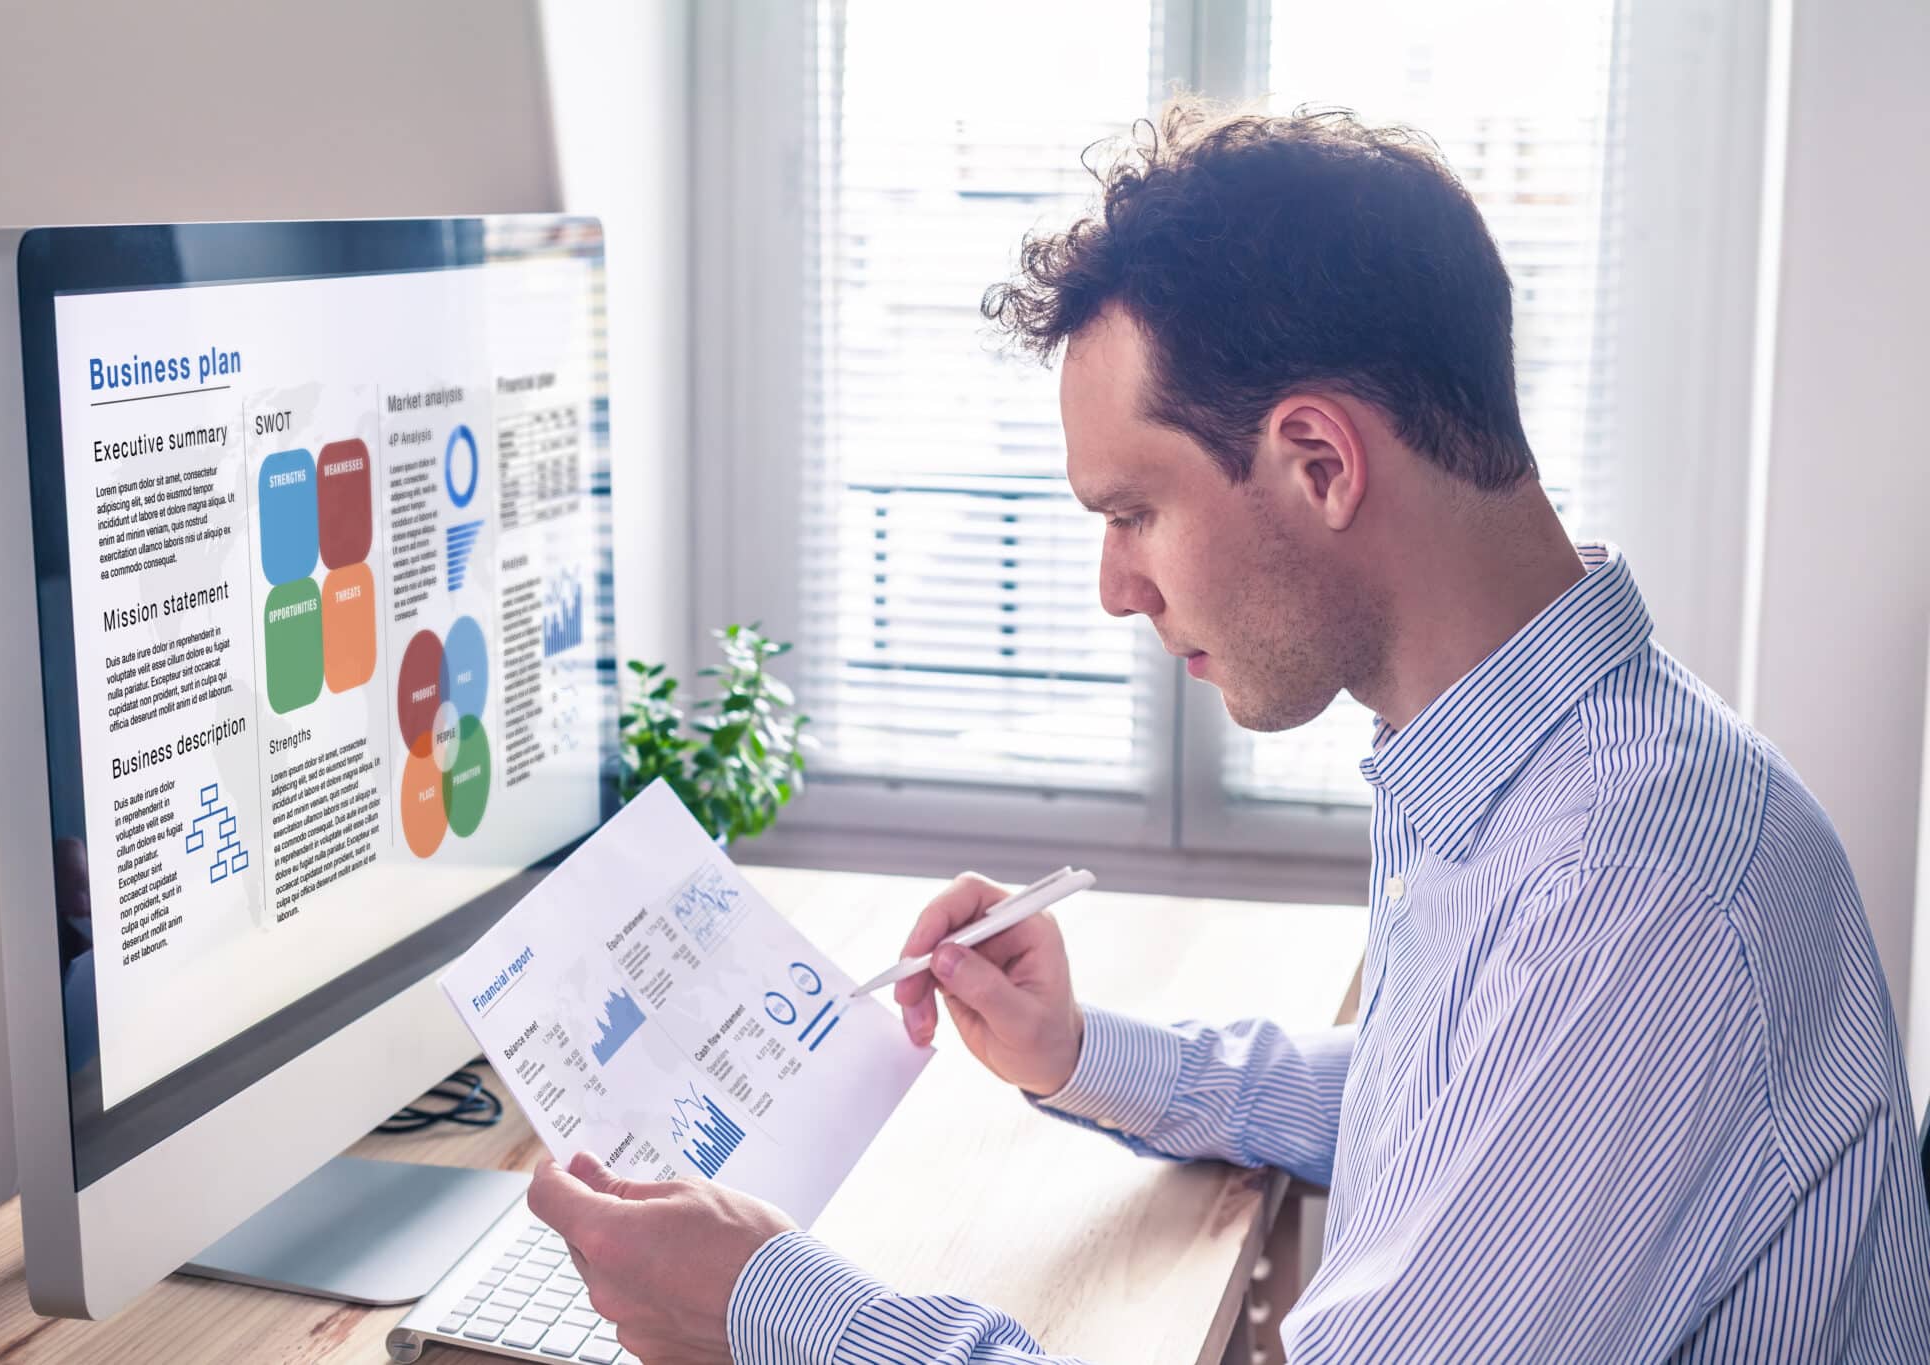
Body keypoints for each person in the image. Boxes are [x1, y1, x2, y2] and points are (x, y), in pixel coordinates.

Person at [526, 103, 1930, 1363]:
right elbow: (1427, 1110)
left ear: (1320, 463)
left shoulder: (1636, 895)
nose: (1114, 585)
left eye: (1134, 511)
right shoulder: (1549, 762)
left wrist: (775, 1306)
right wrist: (1080, 1049)